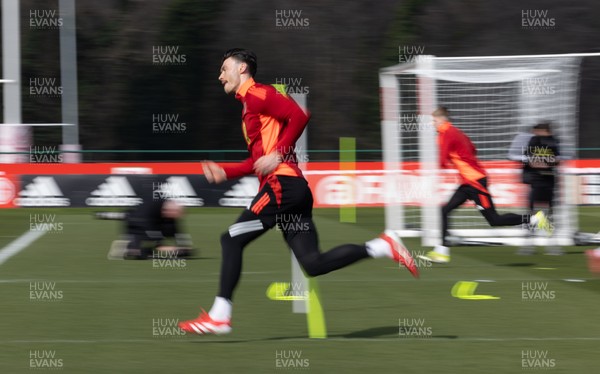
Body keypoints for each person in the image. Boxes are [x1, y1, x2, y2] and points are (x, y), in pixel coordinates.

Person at [178, 48, 418, 335]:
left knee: (230, 239)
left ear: (242, 69)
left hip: (282, 187)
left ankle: (220, 315)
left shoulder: (258, 94)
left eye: (224, 68)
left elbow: (300, 115)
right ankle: (382, 246)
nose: (220, 76)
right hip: (293, 191)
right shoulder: (248, 106)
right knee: (313, 264)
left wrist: (279, 154)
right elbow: (258, 161)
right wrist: (226, 171)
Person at [418, 107, 550, 264]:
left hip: (475, 183)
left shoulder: (445, 133)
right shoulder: (457, 132)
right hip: (469, 182)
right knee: (444, 210)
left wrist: (439, 168)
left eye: (434, 121)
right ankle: (442, 251)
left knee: (495, 220)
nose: (433, 124)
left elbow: (442, 160)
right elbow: (474, 149)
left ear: (441, 120)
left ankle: (534, 219)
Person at [518, 122, 561, 255]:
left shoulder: (554, 142)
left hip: (549, 180)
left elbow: (557, 160)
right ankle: (528, 244)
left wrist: (544, 162)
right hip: (536, 181)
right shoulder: (533, 141)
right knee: (532, 212)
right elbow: (528, 159)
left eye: (537, 130)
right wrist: (541, 163)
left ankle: (552, 244)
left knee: (549, 213)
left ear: (543, 130)